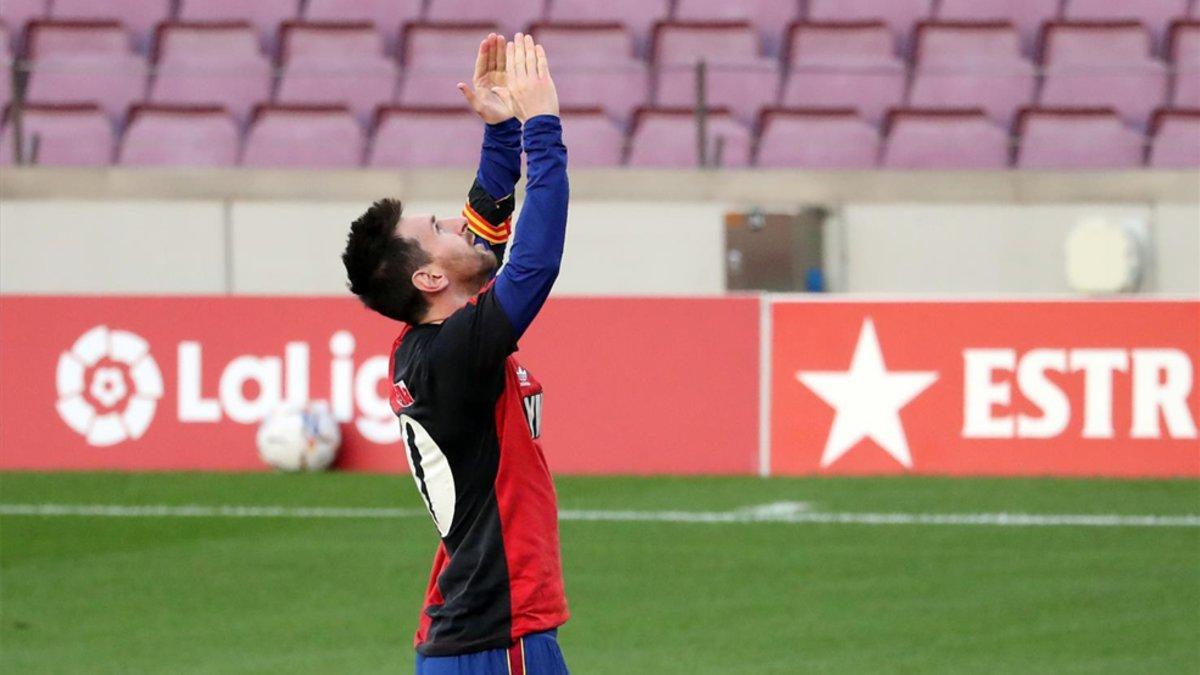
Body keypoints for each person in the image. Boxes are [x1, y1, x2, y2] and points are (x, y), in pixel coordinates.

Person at [341, 33, 570, 675]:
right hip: (497, 636)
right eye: (440, 228)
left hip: (477, 633)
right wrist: (542, 127)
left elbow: (486, 230)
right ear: (429, 278)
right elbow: (535, 262)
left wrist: (500, 131)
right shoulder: (453, 355)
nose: (457, 224)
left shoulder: (434, 339)